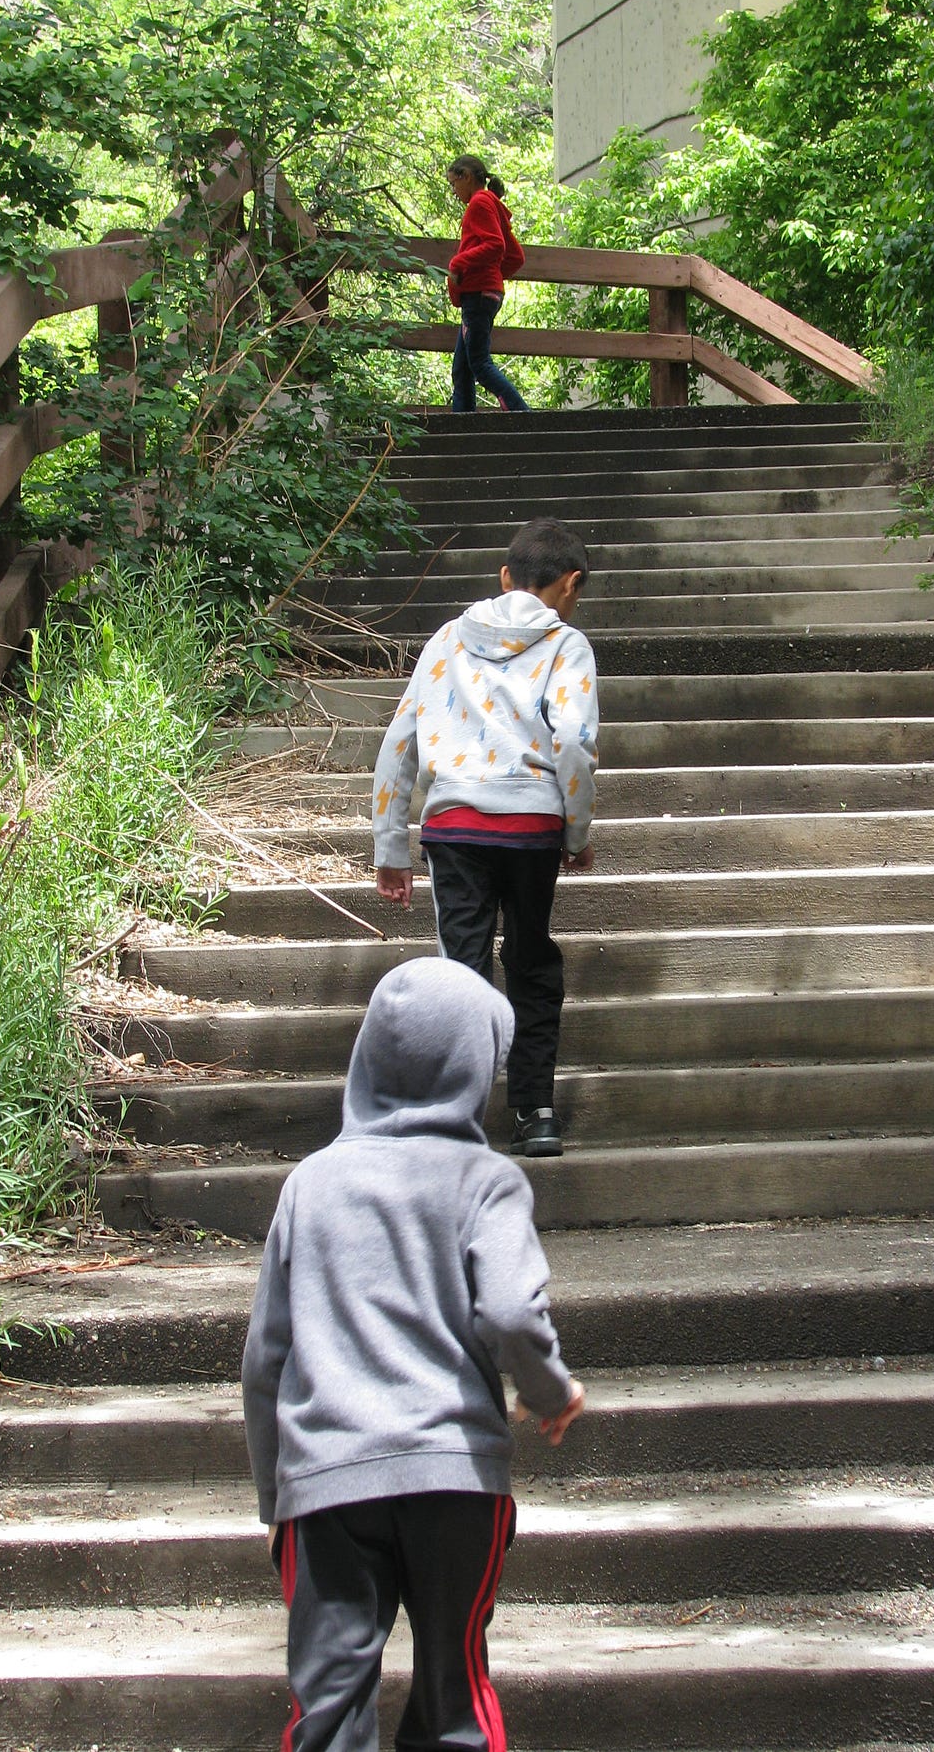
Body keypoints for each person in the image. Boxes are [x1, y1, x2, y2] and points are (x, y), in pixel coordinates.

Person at [242, 956, 585, 1752]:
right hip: (454, 1479)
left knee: (326, 1707)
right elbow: (508, 1308)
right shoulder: (485, 1181)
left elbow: (265, 1360)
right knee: (455, 1693)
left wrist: (275, 1497)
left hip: (325, 1482)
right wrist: (550, 1387)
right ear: (476, 1066)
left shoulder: (311, 1184)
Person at [370, 518, 599, 1158]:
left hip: (455, 830)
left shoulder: (446, 640)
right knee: (530, 962)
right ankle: (536, 1112)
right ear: (572, 584)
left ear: (505, 578)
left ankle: (455, 1116)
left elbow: (400, 743)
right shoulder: (567, 645)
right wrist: (575, 829)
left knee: (461, 970)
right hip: (531, 832)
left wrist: (391, 847)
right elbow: (574, 744)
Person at [445, 154, 529, 412]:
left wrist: (458, 264)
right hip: (484, 291)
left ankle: (522, 415)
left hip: (478, 295)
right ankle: (464, 427)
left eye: (453, 183)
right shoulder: (491, 204)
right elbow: (515, 256)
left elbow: (496, 245)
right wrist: (492, 275)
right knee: (462, 366)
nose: (454, 190)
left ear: (466, 177)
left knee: (479, 363)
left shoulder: (479, 203)